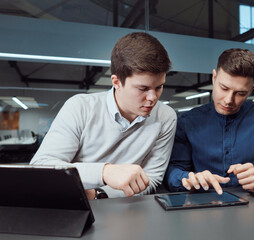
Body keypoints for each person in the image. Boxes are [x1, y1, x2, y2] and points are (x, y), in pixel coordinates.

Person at [30, 32, 177, 199]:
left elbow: (152, 178)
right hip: (73, 205)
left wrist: (100, 193)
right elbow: (41, 166)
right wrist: (104, 172)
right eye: (143, 89)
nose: (153, 98)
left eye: (159, 87)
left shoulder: (166, 117)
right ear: (116, 82)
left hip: (127, 209)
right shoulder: (80, 107)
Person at [164, 48, 254, 195]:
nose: (229, 100)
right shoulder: (187, 122)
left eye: (240, 93)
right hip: (203, 206)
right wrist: (189, 179)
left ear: (251, 89)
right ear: (214, 78)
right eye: (224, 88)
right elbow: (172, 173)